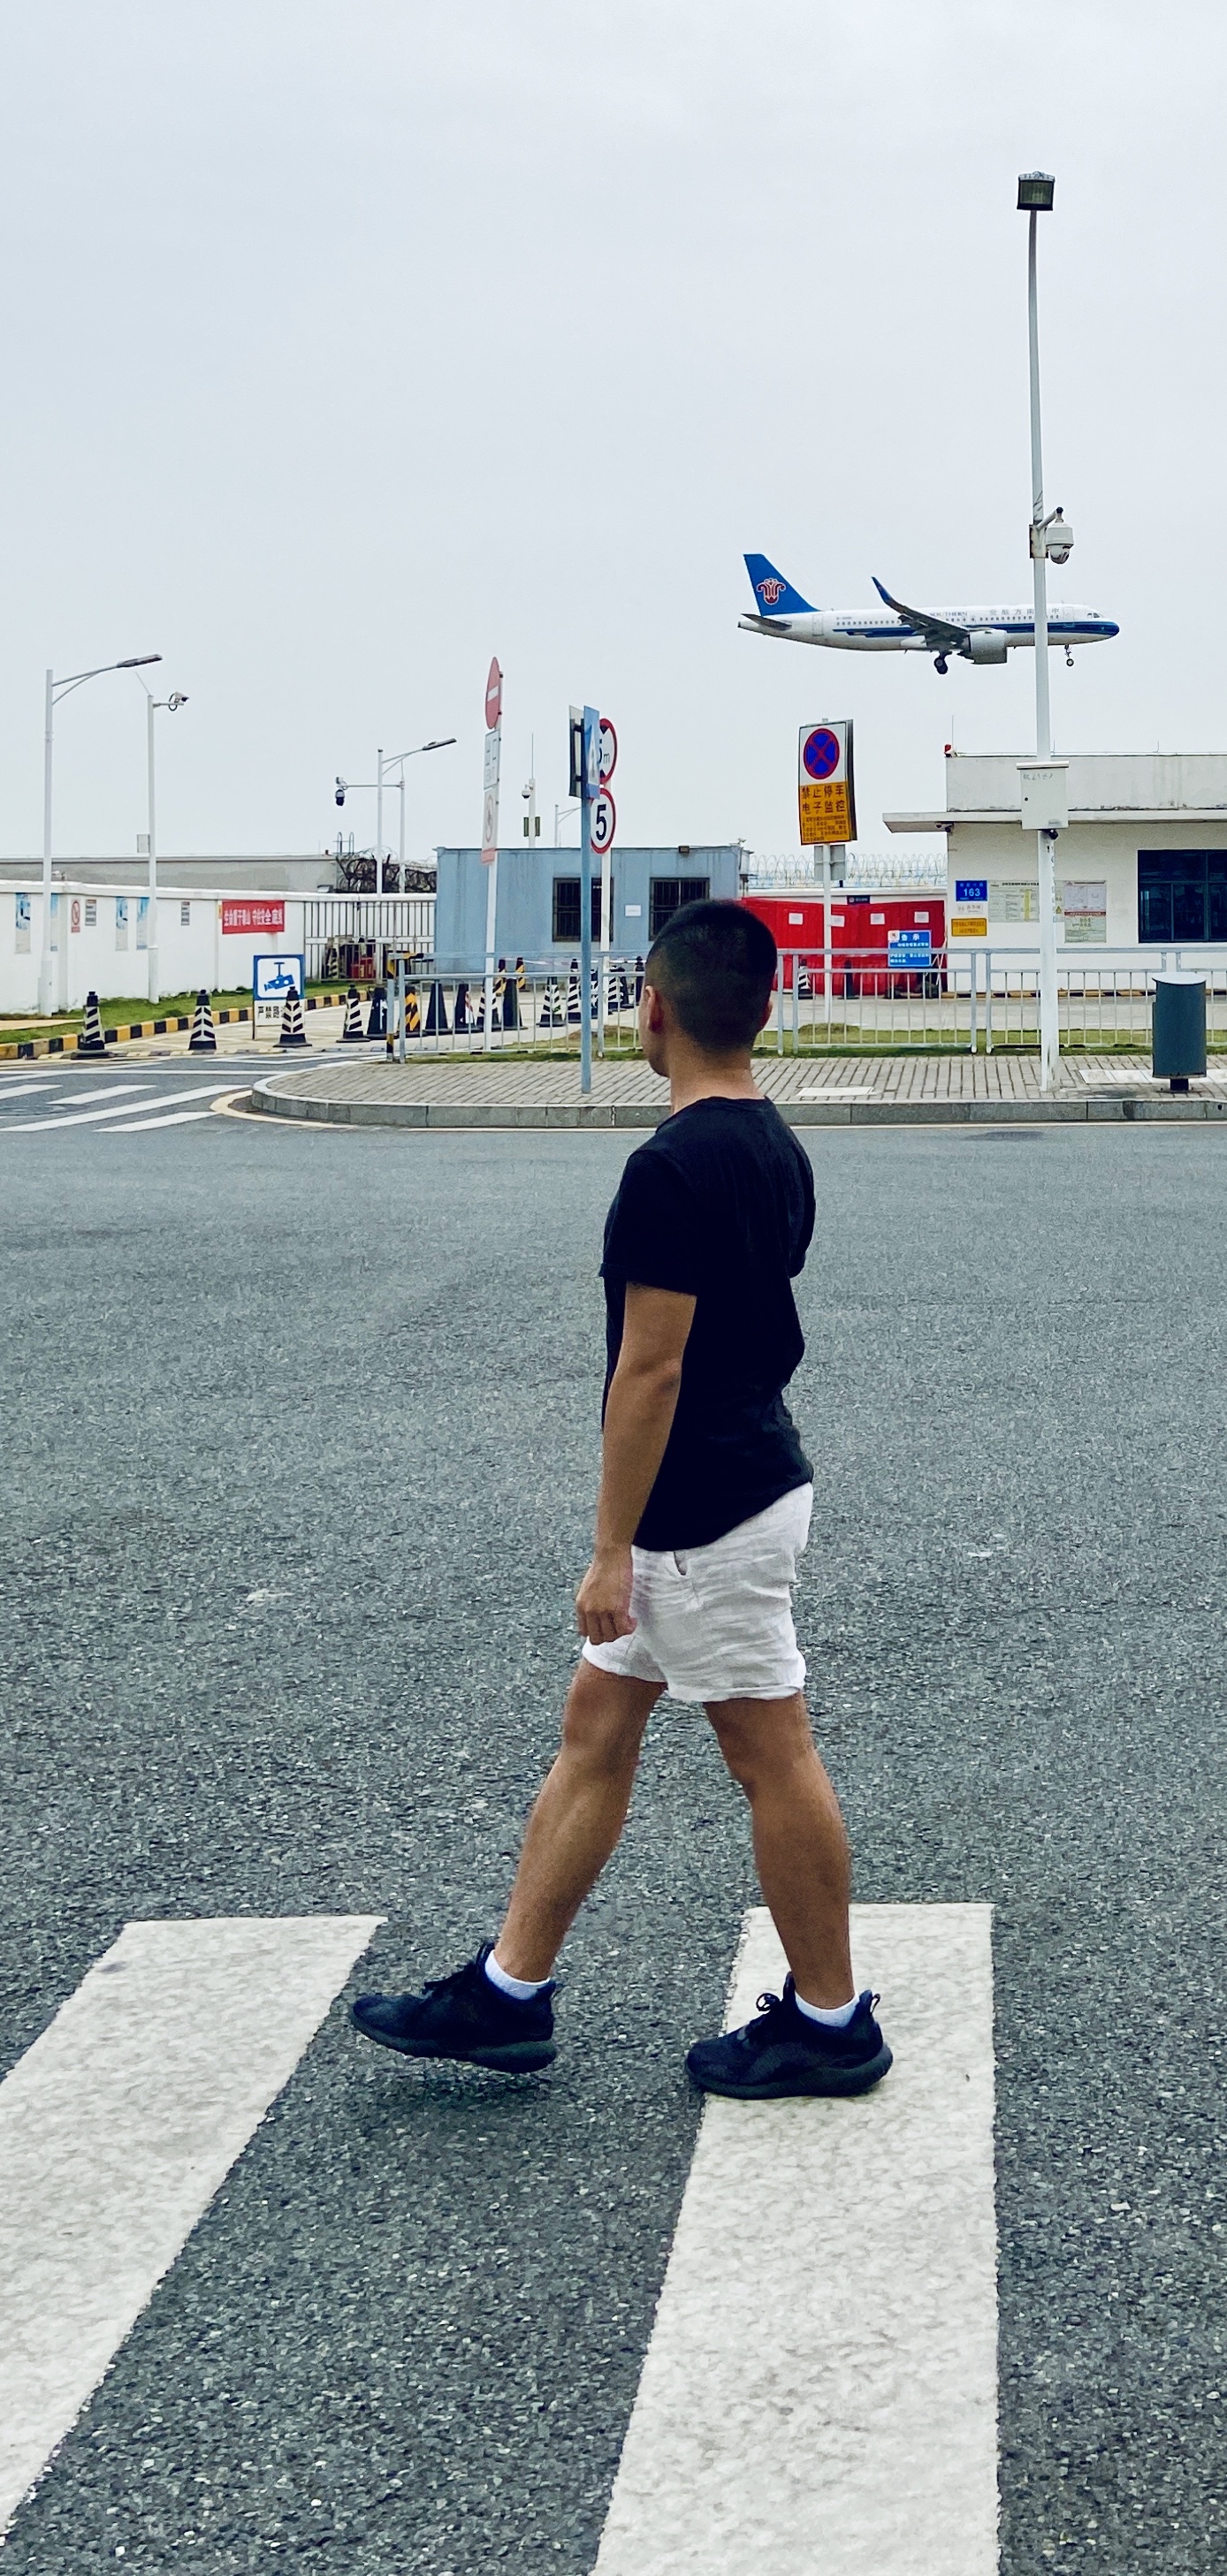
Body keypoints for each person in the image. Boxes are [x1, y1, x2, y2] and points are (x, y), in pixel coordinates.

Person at [351, 899, 888, 2101]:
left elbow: (650, 1369)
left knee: (771, 1754)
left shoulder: (669, 1167)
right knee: (595, 1728)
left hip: (702, 1515)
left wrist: (610, 1548)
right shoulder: (772, 1144)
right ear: (758, 1011)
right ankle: (509, 1990)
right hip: (736, 1484)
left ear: (653, 1008)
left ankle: (831, 2017)